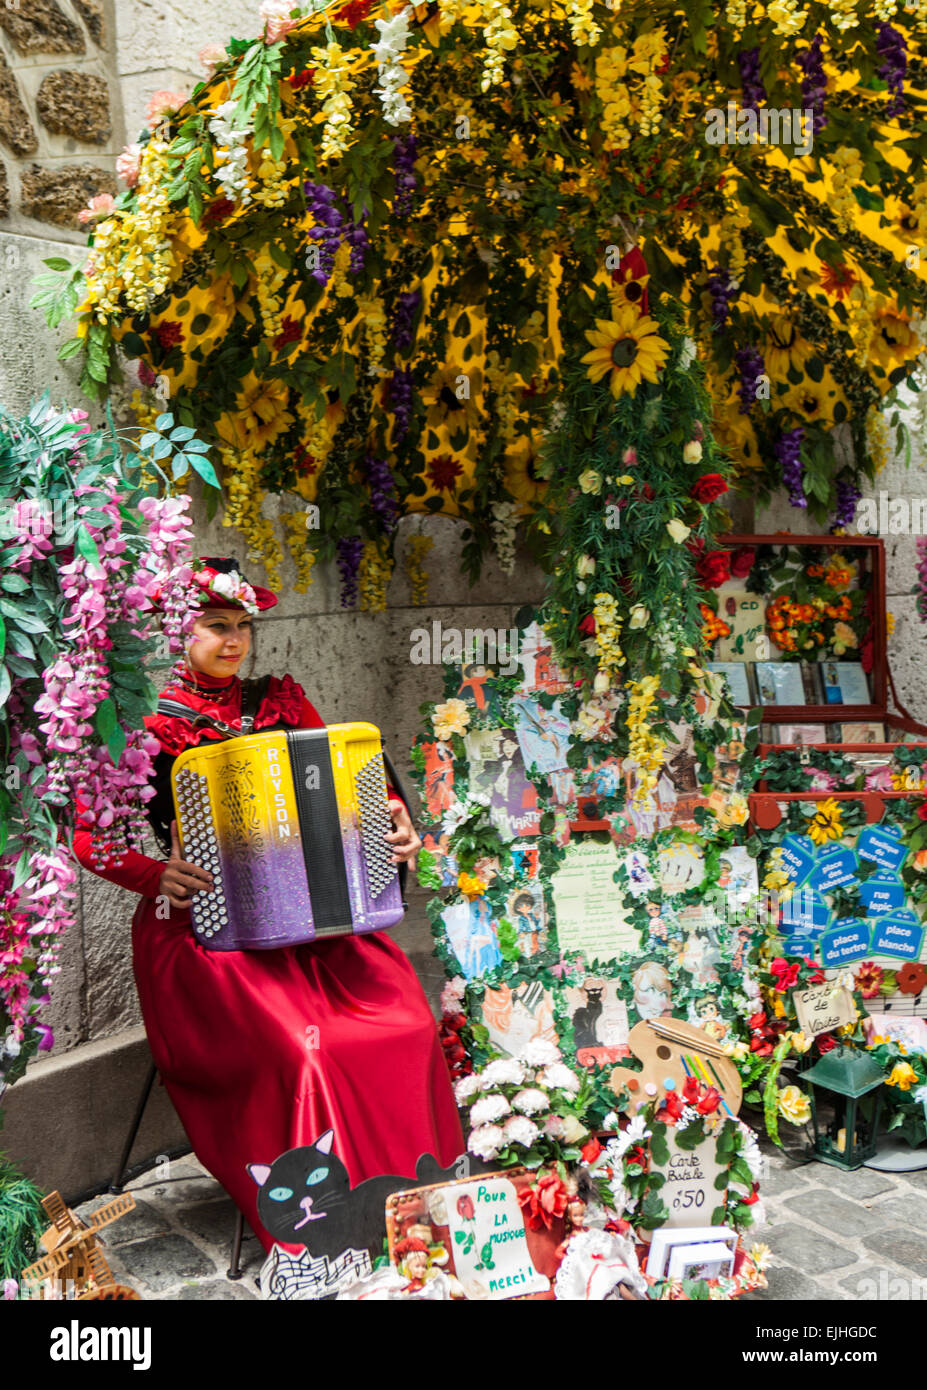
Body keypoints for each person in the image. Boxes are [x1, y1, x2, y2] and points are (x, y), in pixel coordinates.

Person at [70, 556, 464, 1258]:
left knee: (404, 1017)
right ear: (175, 632)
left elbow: (348, 774)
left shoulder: (280, 699)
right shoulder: (141, 722)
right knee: (305, 1049)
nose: (236, 641)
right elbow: (88, 836)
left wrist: (393, 818)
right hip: (208, 933)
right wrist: (154, 874)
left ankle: (415, 1199)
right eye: (217, 626)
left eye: (243, 626)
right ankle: (322, 1224)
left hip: (313, 917)